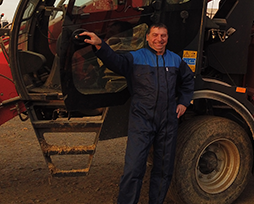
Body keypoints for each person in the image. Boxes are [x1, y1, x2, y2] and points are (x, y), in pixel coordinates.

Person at [80, 23, 194, 204]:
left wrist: (183, 102)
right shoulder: (135, 58)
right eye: (155, 35)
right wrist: (100, 44)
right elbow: (114, 61)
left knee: (163, 169)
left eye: (163, 35)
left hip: (168, 121)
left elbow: (188, 81)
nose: (159, 39)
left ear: (167, 38)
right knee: (134, 168)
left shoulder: (175, 60)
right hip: (142, 120)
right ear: (147, 38)